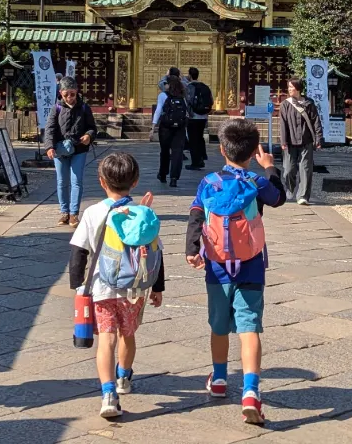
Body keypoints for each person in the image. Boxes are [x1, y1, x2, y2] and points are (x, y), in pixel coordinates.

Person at [187, 118, 286, 424]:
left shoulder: (209, 183)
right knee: (250, 327)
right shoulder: (256, 184)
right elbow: (279, 197)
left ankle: (218, 379)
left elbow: (195, 215)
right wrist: (269, 167)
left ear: (221, 149)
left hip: (217, 267)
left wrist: (192, 249)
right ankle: (251, 391)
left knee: (218, 325)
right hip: (252, 266)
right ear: (253, 151)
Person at [67, 152, 164, 419]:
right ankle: (124, 377)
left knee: (106, 340)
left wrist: (78, 286)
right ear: (135, 182)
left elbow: (78, 252)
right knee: (128, 335)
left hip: (101, 288)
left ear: (101, 182)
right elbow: (157, 251)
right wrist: (157, 288)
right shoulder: (144, 213)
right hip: (134, 290)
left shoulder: (93, 212)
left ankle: (108, 394)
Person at [46, 76, 95, 226]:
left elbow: (92, 127)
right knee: (62, 181)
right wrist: (49, 146)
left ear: (77, 92)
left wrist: (89, 135)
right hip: (60, 149)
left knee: (76, 181)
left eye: (72, 94)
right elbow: (50, 129)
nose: (69, 97)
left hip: (79, 148)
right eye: (66, 94)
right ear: (61, 93)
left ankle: (74, 213)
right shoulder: (57, 108)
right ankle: (64, 212)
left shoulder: (85, 108)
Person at [280, 78, 324, 205]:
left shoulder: (309, 103)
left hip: (306, 140)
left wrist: (318, 138)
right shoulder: (285, 104)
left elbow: (316, 121)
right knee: (288, 169)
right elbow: (283, 124)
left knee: (305, 169)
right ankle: (290, 190)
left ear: (298, 88)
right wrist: (283, 140)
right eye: (288, 87)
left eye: (291, 87)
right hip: (290, 141)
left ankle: (303, 196)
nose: (289, 89)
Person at [152, 70, 188, 186]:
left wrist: (153, 127)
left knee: (165, 151)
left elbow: (158, 111)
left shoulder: (163, 95)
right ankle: (174, 178)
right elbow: (187, 112)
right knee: (177, 153)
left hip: (165, 127)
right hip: (180, 128)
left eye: (166, 83)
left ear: (169, 84)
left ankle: (163, 174)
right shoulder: (183, 96)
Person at [185, 66, 213, 171]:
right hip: (203, 117)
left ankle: (195, 162)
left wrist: (188, 114)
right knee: (200, 137)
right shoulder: (205, 86)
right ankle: (202, 157)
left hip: (193, 117)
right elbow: (211, 100)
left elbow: (188, 102)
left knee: (193, 140)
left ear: (190, 75)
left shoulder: (189, 87)